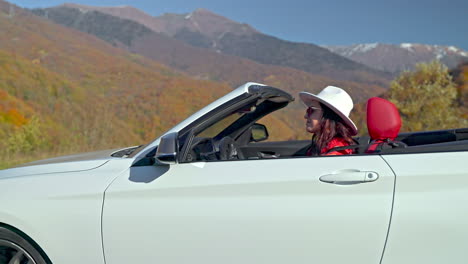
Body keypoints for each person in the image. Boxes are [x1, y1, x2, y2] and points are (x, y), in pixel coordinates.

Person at [299, 86, 358, 156]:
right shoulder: (320, 147)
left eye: (311, 110)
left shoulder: (336, 152)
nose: (305, 116)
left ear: (328, 115)